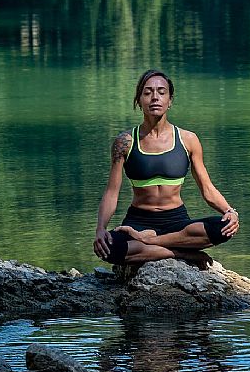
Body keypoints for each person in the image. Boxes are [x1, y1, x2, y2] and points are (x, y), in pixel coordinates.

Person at [93, 69, 239, 266]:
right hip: (138, 221)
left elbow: (207, 188)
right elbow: (112, 192)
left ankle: (151, 242)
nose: (155, 97)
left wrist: (229, 211)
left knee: (221, 228)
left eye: (161, 92)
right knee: (108, 247)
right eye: (148, 92)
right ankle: (181, 253)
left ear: (170, 100)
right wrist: (101, 228)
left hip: (177, 221)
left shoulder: (188, 140)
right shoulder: (125, 142)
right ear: (139, 101)